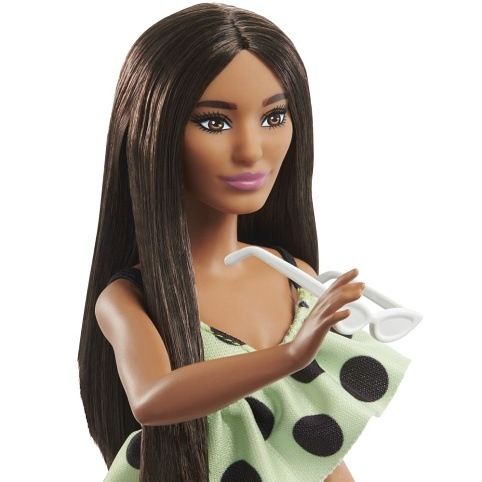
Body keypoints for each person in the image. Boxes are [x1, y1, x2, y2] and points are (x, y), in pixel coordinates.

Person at [78, 3, 411, 481]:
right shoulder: (130, 297)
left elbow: (307, 447)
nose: (252, 151)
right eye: (214, 122)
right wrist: (289, 357)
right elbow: (152, 399)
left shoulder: (293, 277)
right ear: (154, 130)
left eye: (274, 117)